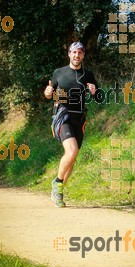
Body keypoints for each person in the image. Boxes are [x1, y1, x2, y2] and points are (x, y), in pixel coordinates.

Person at [44, 42, 98, 207]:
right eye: (74, 52)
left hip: (79, 119)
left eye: (80, 53)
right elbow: (49, 90)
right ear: (69, 54)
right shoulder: (59, 72)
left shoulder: (88, 75)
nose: (77, 55)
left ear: (83, 55)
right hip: (62, 116)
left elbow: (99, 97)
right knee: (72, 151)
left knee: (72, 158)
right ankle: (58, 182)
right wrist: (47, 92)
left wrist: (95, 92)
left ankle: (58, 192)